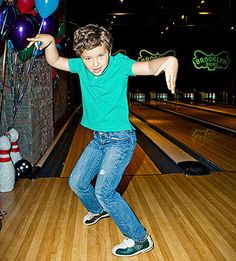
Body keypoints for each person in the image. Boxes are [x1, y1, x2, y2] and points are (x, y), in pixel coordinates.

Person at [28, 24, 178, 257]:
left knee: (105, 191)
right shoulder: (81, 67)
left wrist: (169, 60)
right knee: (77, 182)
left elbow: (148, 66)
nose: (95, 63)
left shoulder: (119, 65)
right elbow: (56, 61)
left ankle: (140, 238)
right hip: (99, 139)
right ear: (81, 57)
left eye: (101, 55)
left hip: (121, 140)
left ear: (109, 51)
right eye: (88, 58)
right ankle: (98, 210)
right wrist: (49, 41)